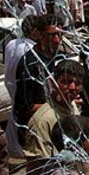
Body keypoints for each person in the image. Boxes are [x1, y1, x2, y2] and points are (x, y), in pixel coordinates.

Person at [13, 14, 62, 146]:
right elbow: (24, 108)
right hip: (35, 132)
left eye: (59, 34)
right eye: (51, 35)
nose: (57, 40)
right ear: (39, 34)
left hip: (52, 127)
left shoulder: (52, 58)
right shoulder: (30, 64)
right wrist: (60, 106)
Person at [23, 59, 84, 159]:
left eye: (77, 83)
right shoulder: (43, 121)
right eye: (66, 82)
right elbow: (36, 165)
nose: (73, 87)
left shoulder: (71, 104)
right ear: (53, 83)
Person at [4, 15, 39, 157]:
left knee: (15, 119)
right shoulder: (31, 49)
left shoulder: (11, 43)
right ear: (34, 31)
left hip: (11, 87)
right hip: (22, 90)